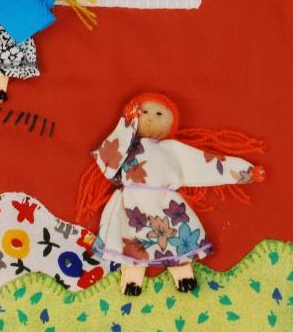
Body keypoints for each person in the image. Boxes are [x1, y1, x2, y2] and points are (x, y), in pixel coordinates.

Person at [76, 92, 266, 295]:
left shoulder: (173, 150)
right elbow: (107, 160)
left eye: (159, 114)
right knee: (132, 242)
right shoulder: (126, 147)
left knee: (175, 239)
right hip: (131, 205)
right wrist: (126, 124)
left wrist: (245, 172)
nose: (150, 118)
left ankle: (184, 275)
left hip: (166, 205)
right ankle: (132, 279)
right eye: (144, 112)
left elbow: (204, 163)